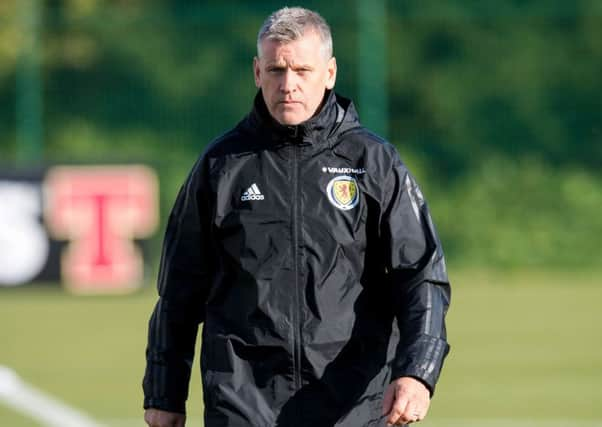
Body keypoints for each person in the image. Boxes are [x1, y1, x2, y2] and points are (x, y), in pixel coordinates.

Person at [143, 7, 450, 427]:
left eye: (302, 70)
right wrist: (165, 393)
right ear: (256, 72)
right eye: (276, 70)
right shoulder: (221, 165)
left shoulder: (374, 163)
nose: (288, 85)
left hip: (353, 405)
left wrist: (418, 371)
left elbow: (421, 276)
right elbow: (178, 291)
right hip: (244, 403)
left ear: (330, 72)